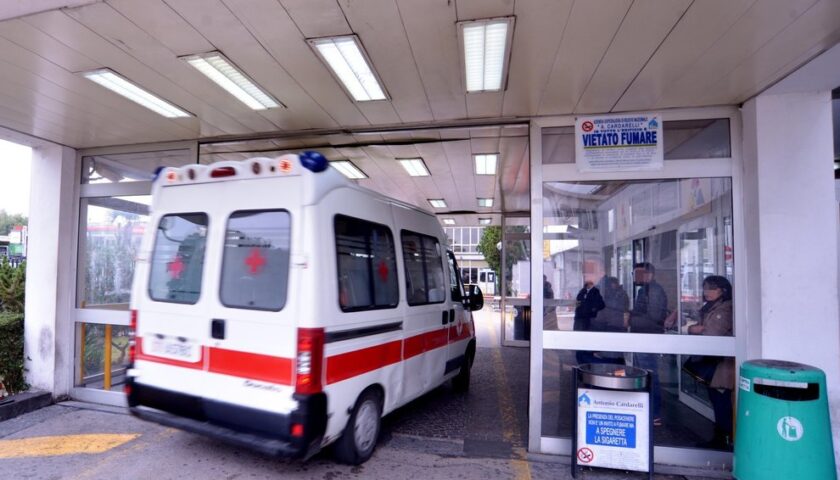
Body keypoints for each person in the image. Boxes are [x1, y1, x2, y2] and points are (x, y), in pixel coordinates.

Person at [688, 275, 734, 448]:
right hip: (713, 362)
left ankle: (724, 442)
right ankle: (720, 439)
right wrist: (694, 328)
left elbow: (711, 334)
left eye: (712, 288)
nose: (707, 292)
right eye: (706, 288)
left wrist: (693, 329)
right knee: (716, 400)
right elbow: (702, 328)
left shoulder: (726, 309)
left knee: (722, 402)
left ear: (723, 290)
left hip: (722, 365)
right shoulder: (711, 307)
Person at [628, 262, 668, 425]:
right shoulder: (643, 290)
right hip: (640, 337)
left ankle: (654, 414)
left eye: (639, 273)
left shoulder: (655, 291)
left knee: (650, 375)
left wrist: (630, 320)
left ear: (650, 274)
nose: (635, 277)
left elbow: (655, 317)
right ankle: (647, 410)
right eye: (634, 273)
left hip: (648, 338)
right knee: (642, 374)